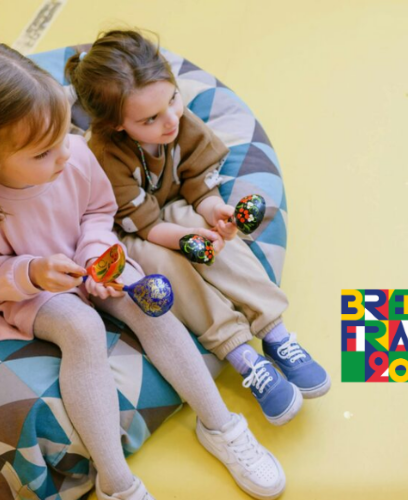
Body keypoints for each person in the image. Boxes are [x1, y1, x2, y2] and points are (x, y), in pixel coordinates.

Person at [0, 43, 286, 500]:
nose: (62, 156)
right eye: (42, 154)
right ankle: (116, 483)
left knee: (148, 304)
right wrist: (33, 273)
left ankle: (221, 426)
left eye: (63, 138)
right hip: (35, 292)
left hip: (96, 259)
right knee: (82, 328)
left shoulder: (75, 154)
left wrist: (95, 255)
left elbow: (98, 212)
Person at [66, 29, 331, 428]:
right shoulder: (104, 156)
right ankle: (241, 353)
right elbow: (147, 227)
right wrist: (187, 241)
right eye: (150, 119)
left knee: (211, 232)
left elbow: (198, 184)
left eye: (173, 99)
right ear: (117, 125)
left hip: (171, 206)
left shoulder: (179, 120)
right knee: (167, 265)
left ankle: (274, 331)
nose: (170, 120)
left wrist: (215, 212)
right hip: (130, 232)